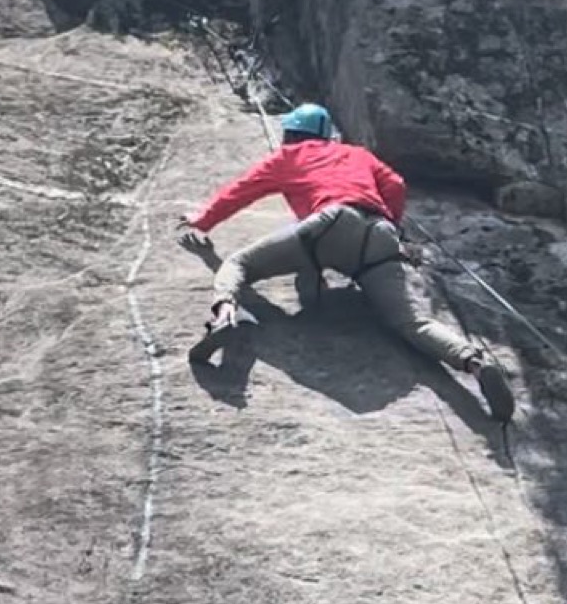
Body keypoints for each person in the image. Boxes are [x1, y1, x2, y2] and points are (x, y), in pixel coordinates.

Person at [177, 103, 515, 422]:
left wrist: (202, 221)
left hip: (329, 226)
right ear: (325, 133)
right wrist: (393, 225)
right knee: (411, 321)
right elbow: (395, 185)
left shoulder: (287, 157)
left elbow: (241, 190)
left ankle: (224, 316)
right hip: (379, 235)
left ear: (291, 134)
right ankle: (473, 361)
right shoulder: (357, 154)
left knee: (239, 264)